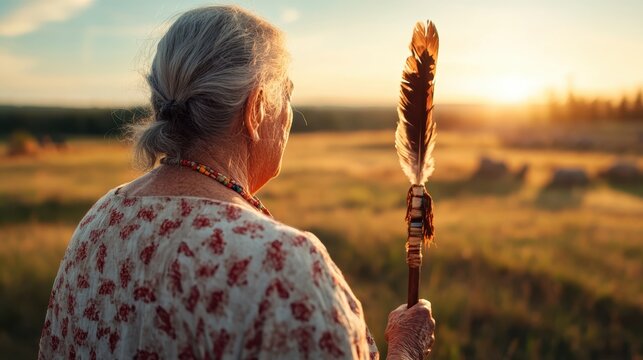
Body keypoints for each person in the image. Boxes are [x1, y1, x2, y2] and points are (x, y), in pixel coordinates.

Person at [38, 5, 435, 359]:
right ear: (257, 107)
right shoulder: (284, 268)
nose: (290, 113)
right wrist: (405, 349)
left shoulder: (99, 221)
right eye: (288, 93)